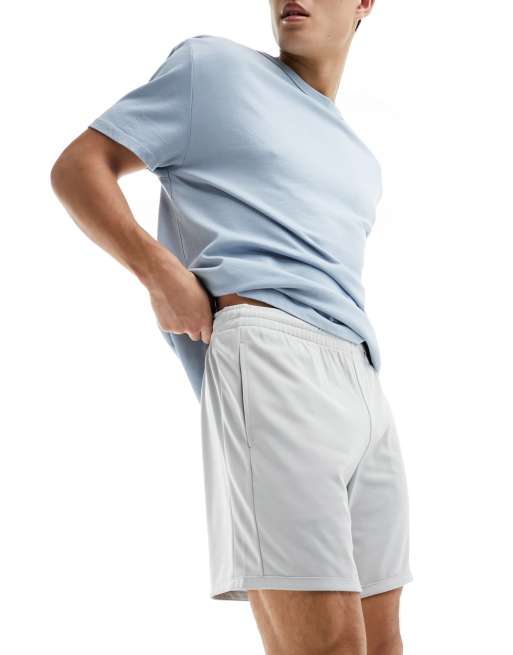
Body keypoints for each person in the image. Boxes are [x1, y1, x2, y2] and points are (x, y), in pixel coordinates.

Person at [51, 1, 413, 653]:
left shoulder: (362, 159)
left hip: (362, 379)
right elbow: (79, 165)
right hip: (273, 355)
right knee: (328, 645)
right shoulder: (213, 69)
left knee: (384, 644)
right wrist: (159, 271)